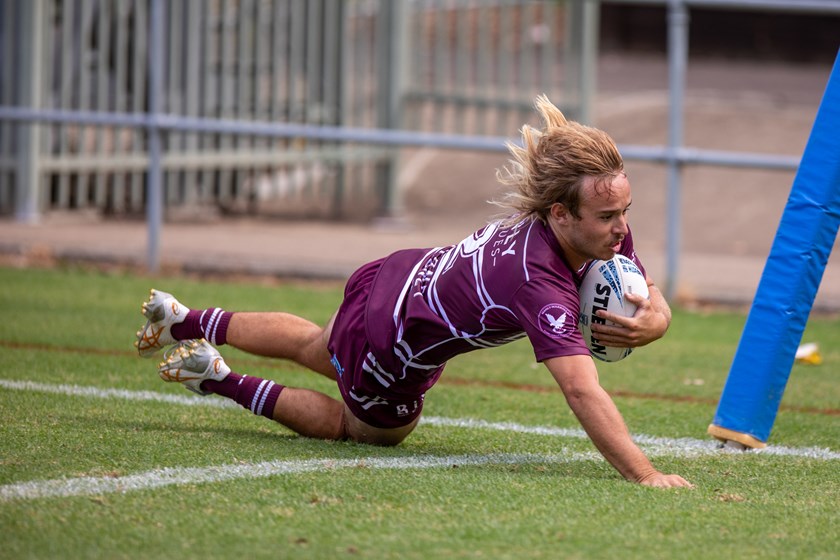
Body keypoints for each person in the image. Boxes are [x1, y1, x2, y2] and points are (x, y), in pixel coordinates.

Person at [135, 95, 693, 488]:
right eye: (607, 215)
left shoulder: (593, 230)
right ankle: (217, 377)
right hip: (392, 343)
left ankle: (181, 319)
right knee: (364, 431)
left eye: (625, 211)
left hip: (390, 276)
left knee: (316, 345)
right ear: (560, 214)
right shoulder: (538, 281)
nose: (621, 226)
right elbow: (581, 391)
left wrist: (659, 319)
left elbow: (645, 289)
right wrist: (645, 474)